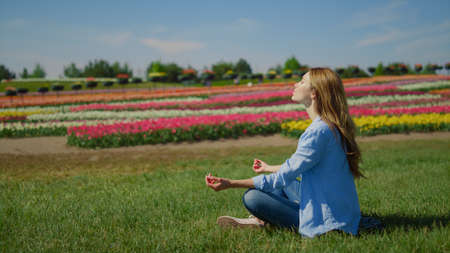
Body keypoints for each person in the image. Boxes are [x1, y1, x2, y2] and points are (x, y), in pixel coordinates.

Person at [205, 67, 363, 238]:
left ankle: (261, 220)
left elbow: (281, 178)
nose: (295, 84)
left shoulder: (317, 132)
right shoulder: (329, 126)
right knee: (285, 183)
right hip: (341, 212)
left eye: (302, 81)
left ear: (314, 93)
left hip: (327, 222)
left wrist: (230, 183)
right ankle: (260, 220)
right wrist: (268, 168)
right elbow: (295, 167)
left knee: (253, 198)